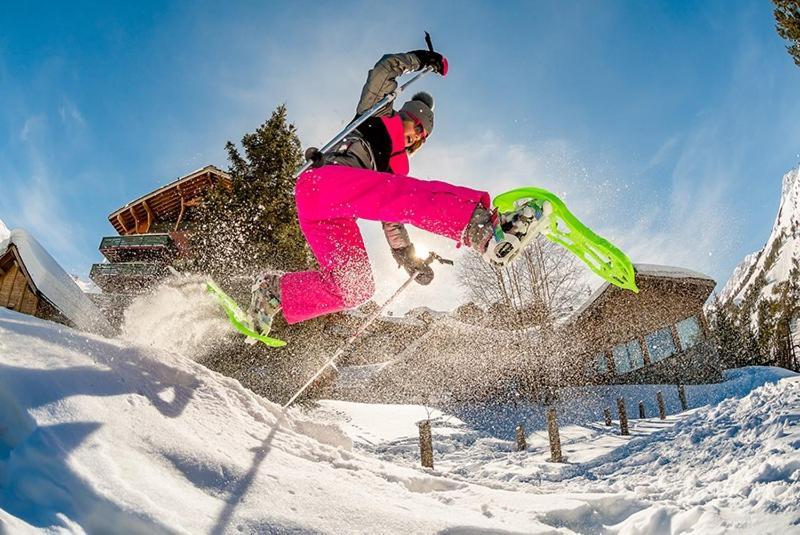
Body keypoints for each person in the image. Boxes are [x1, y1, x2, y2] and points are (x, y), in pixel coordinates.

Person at [249, 49, 502, 334]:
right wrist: (421, 59)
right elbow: (385, 69)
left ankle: (274, 291)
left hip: (332, 216)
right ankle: (474, 223)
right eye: (418, 127)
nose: (418, 137)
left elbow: (392, 217)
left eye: (423, 137)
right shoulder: (377, 112)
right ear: (408, 116)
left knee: (356, 287)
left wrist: (407, 256)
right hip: (323, 182)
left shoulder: (393, 172)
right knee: (405, 195)